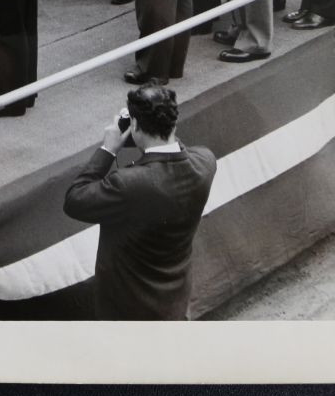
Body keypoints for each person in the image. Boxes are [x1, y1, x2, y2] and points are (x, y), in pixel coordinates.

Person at [63, 86, 219, 320]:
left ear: (134, 125)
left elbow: (75, 199)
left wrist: (108, 149)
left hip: (128, 311)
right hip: (174, 305)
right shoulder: (205, 162)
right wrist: (152, 133)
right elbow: (178, 151)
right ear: (173, 123)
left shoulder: (128, 184)